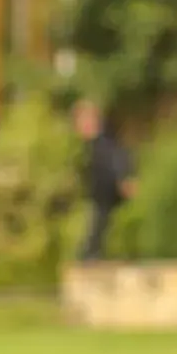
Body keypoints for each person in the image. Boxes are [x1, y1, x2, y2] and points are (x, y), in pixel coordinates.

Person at [75, 99, 134, 261]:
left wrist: (123, 179)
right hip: (97, 197)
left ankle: (91, 256)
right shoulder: (88, 146)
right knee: (95, 232)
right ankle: (90, 256)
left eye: (83, 121)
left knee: (97, 231)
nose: (80, 127)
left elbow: (118, 160)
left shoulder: (104, 143)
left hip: (106, 196)